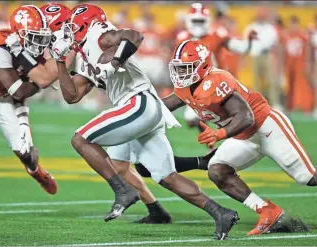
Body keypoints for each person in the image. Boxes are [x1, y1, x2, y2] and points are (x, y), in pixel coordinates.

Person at [51, 3, 239, 239]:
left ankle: (123, 192)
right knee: (167, 177)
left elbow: (134, 35)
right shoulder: (87, 52)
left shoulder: (99, 34)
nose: (71, 32)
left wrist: (113, 64)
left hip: (137, 103)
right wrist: (59, 60)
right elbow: (72, 96)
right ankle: (220, 212)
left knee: (81, 139)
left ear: (85, 23)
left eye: (74, 27)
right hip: (145, 109)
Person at [160, 40, 317, 235]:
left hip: (266, 127)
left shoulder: (216, 81)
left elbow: (246, 117)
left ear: (204, 66)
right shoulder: (185, 88)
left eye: (187, 68)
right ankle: (268, 211)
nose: (181, 74)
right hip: (244, 137)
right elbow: (163, 106)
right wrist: (131, 109)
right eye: (179, 68)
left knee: (308, 176)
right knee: (217, 170)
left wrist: (219, 134)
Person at [0, 5, 60, 220]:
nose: (40, 43)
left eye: (42, 37)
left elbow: (24, 87)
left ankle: (35, 170)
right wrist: (40, 82)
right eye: (35, 37)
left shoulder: (26, 48)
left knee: (25, 152)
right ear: (19, 34)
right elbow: (20, 90)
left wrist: (24, 122)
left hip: (3, 97)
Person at [176, 3, 257, 133]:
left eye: (201, 21)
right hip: (195, 83)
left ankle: (233, 136)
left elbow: (239, 47)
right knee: (192, 119)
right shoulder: (183, 37)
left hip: (216, 81)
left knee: (225, 115)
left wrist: (248, 42)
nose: (198, 24)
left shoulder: (217, 34)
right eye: (195, 20)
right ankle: (215, 140)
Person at [244, 7, 280, 110]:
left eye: (263, 16)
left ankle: (275, 103)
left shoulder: (270, 28)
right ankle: (257, 105)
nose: (261, 18)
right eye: (260, 16)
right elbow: (246, 43)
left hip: (267, 55)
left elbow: (274, 44)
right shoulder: (250, 27)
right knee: (256, 82)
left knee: (271, 80)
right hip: (254, 56)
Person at [281, 16, 313, 113]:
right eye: (291, 24)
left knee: (300, 85)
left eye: (294, 24)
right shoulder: (286, 35)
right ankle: (289, 105)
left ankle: (302, 105)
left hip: (299, 63)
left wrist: (307, 62)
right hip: (290, 63)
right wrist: (283, 64)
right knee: (289, 85)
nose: (293, 26)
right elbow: (283, 51)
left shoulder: (302, 35)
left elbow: (307, 48)